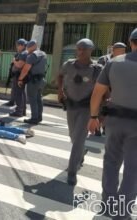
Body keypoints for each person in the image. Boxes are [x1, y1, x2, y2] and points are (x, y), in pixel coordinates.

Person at [87, 29, 137, 219]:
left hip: (115, 122)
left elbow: (97, 93)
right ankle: (122, 213)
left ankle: (108, 204)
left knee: (111, 163)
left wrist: (93, 117)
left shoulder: (114, 62)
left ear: (131, 42)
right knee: (134, 169)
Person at [58, 38, 103, 186]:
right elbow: (60, 75)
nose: (81, 52)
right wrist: (60, 91)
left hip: (86, 107)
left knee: (78, 139)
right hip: (71, 105)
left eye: (84, 49)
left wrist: (99, 112)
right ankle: (81, 151)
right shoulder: (69, 64)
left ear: (91, 50)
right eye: (79, 49)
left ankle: (72, 172)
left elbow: (102, 89)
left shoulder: (97, 69)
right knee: (73, 135)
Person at [18, 40, 47, 125]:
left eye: (28, 47)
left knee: (33, 99)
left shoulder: (32, 56)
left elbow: (26, 69)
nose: (27, 49)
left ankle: (34, 118)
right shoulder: (43, 54)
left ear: (32, 47)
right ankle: (39, 117)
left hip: (33, 81)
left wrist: (20, 79)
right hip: (41, 79)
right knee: (38, 98)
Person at [9, 39, 28, 117]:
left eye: (18, 45)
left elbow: (19, 65)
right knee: (22, 93)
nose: (17, 46)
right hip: (19, 75)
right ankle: (22, 110)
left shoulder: (23, 53)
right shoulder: (21, 53)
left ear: (23, 45)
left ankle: (19, 111)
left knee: (18, 94)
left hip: (19, 76)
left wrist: (14, 61)